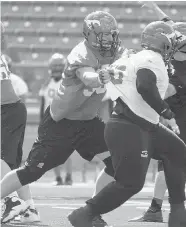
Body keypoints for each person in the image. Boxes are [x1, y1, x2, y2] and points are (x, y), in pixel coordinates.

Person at [1, 11, 127, 225]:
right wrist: (101, 76)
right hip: (61, 124)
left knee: (118, 163)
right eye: (103, 35)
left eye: (111, 35)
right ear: (89, 34)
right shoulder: (81, 53)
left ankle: (92, 212)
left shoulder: (111, 52)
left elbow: (127, 57)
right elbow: (88, 77)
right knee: (31, 171)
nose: (108, 40)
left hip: (88, 122)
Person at [68, 21, 186, 227]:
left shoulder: (136, 57)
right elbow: (144, 85)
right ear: (162, 40)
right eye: (173, 40)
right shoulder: (151, 58)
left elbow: (113, 77)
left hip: (140, 123)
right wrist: (166, 112)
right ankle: (84, 214)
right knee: (131, 183)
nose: (176, 44)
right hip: (130, 125)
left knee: (177, 151)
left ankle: (178, 214)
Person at [129, 1, 186, 223]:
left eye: (176, 41)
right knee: (168, 160)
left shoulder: (181, 73)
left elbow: (160, 93)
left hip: (180, 115)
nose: (170, 43)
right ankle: (155, 208)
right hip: (174, 113)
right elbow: (170, 24)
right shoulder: (177, 55)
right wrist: (153, 7)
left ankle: (163, 209)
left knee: (173, 160)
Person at [0, 22, 40, 224]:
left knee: (2, 161)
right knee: (12, 165)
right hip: (14, 108)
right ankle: (29, 208)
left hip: (5, 109)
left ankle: (11, 202)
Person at [39, 53, 73, 186]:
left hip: (64, 119)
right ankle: (59, 178)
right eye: (55, 66)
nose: (57, 68)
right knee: (52, 151)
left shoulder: (67, 82)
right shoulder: (46, 84)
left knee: (67, 150)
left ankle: (68, 177)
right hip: (51, 121)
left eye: (59, 65)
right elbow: (43, 105)